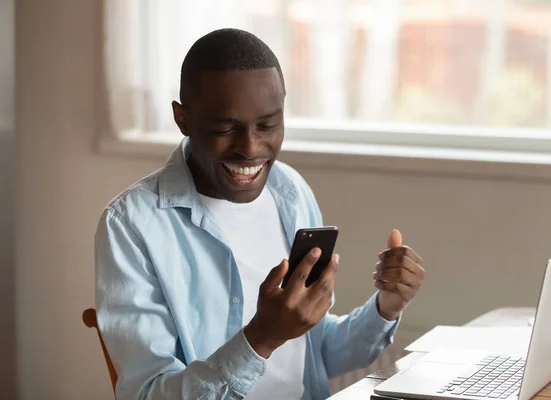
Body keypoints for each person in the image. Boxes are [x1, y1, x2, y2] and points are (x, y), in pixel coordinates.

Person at [95, 28, 425, 400]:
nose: (250, 149)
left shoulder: (290, 191)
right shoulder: (133, 225)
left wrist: (386, 307)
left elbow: (318, 353)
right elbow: (150, 394)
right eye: (224, 128)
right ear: (182, 119)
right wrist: (261, 338)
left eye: (267, 125)